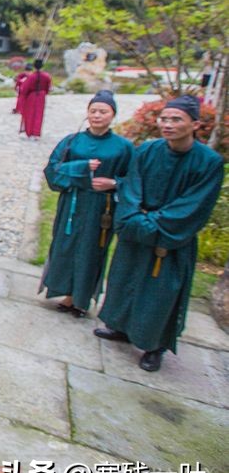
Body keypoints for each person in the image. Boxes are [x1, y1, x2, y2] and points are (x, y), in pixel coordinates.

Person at [94, 95, 224, 372]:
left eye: (176, 119)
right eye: (164, 118)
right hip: (136, 228)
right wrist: (132, 218)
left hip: (169, 236)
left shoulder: (208, 162)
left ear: (195, 124)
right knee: (124, 280)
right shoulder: (147, 151)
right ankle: (121, 327)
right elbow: (131, 187)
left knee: (160, 292)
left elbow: (194, 205)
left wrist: (150, 225)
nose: (168, 124)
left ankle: (154, 345)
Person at [39, 91, 133, 317]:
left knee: (91, 251)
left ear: (113, 115)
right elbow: (53, 170)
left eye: (103, 112)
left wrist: (114, 183)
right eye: (93, 111)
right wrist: (81, 168)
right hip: (72, 203)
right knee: (65, 246)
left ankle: (81, 299)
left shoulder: (123, 147)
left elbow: (135, 180)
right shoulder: (73, 141)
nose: (97, 116)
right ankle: (66, 293)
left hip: (102, 208)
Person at [19, 58, 51, 139]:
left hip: (32, 96)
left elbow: (25, 88)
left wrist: (24, 96)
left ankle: (29, 132)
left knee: (30, 114)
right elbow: (48, 88)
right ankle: (36, 132)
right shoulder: (46, 76)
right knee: (39, 114)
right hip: (41, 96)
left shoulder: (31, 76)